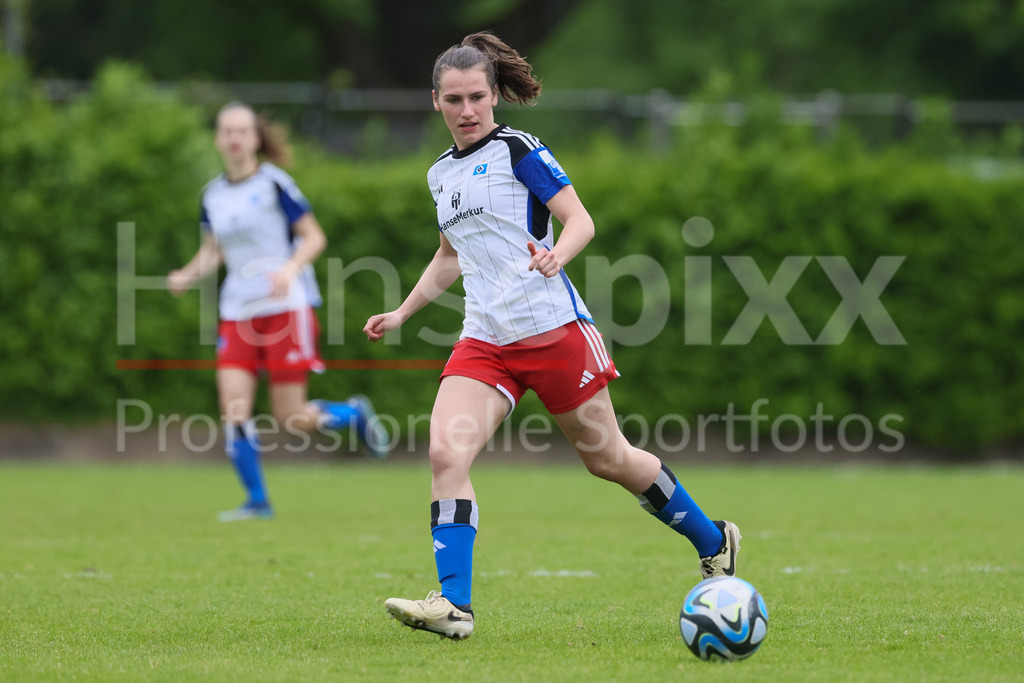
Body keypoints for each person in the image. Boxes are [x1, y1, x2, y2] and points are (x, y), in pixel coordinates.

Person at [363, 32, 740, 640]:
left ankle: (713, 539)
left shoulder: (519, 149)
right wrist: (402, 312)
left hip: (553, 331)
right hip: (484, 341)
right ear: (435, 101)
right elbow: (449, 255)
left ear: (494, 96)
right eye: (454, 99)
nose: (467, 110)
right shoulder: (439, 173)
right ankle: (454, 606)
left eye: (477, 97)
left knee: (608, 459)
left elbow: (579, 219)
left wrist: (556, 255)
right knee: (446, 454)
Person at [168, 102, 390, 522]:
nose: (234, 138)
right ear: (218, 139)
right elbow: (214, 251)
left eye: (242, 130)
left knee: (290, 417)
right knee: (233, 410)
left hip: (286, 308)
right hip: (237, 312)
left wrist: (289, 270)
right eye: (227, 131)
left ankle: (352, 414)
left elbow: (314, 237)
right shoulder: (212, 196)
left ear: (255, 138)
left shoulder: (274, 183)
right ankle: (257, 501)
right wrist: (186, 274)